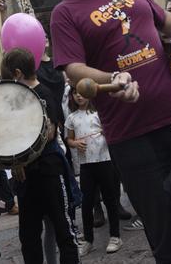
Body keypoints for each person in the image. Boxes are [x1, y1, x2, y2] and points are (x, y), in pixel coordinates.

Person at [48, 0, 171, 263]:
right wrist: (112, 78)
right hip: (133, 137)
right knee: (167, 236)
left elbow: (167, 21)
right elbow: (73, 68)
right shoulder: (64, 13)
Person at [4, 48, 80, 264]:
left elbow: (49, 133)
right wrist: (15, 161)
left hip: (49, 170)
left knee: (64, 230)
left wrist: (21, 159)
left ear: (17, 73)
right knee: (28, 237)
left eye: (10, 75)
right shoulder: (14, 98)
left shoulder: (44, 93)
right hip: (26, 177)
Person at [66, 90, 122, 256]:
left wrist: (107, 132)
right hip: (86, 165)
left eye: (82, 93)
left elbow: (112, 130)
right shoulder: (72, 118)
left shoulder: (99, 113)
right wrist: (75, 143)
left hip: (104, 160)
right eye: (75, 93)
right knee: (87, 203)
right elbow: (68, 139)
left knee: (110, 199)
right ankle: (88, 240)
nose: (79, 96)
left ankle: (115, 236)